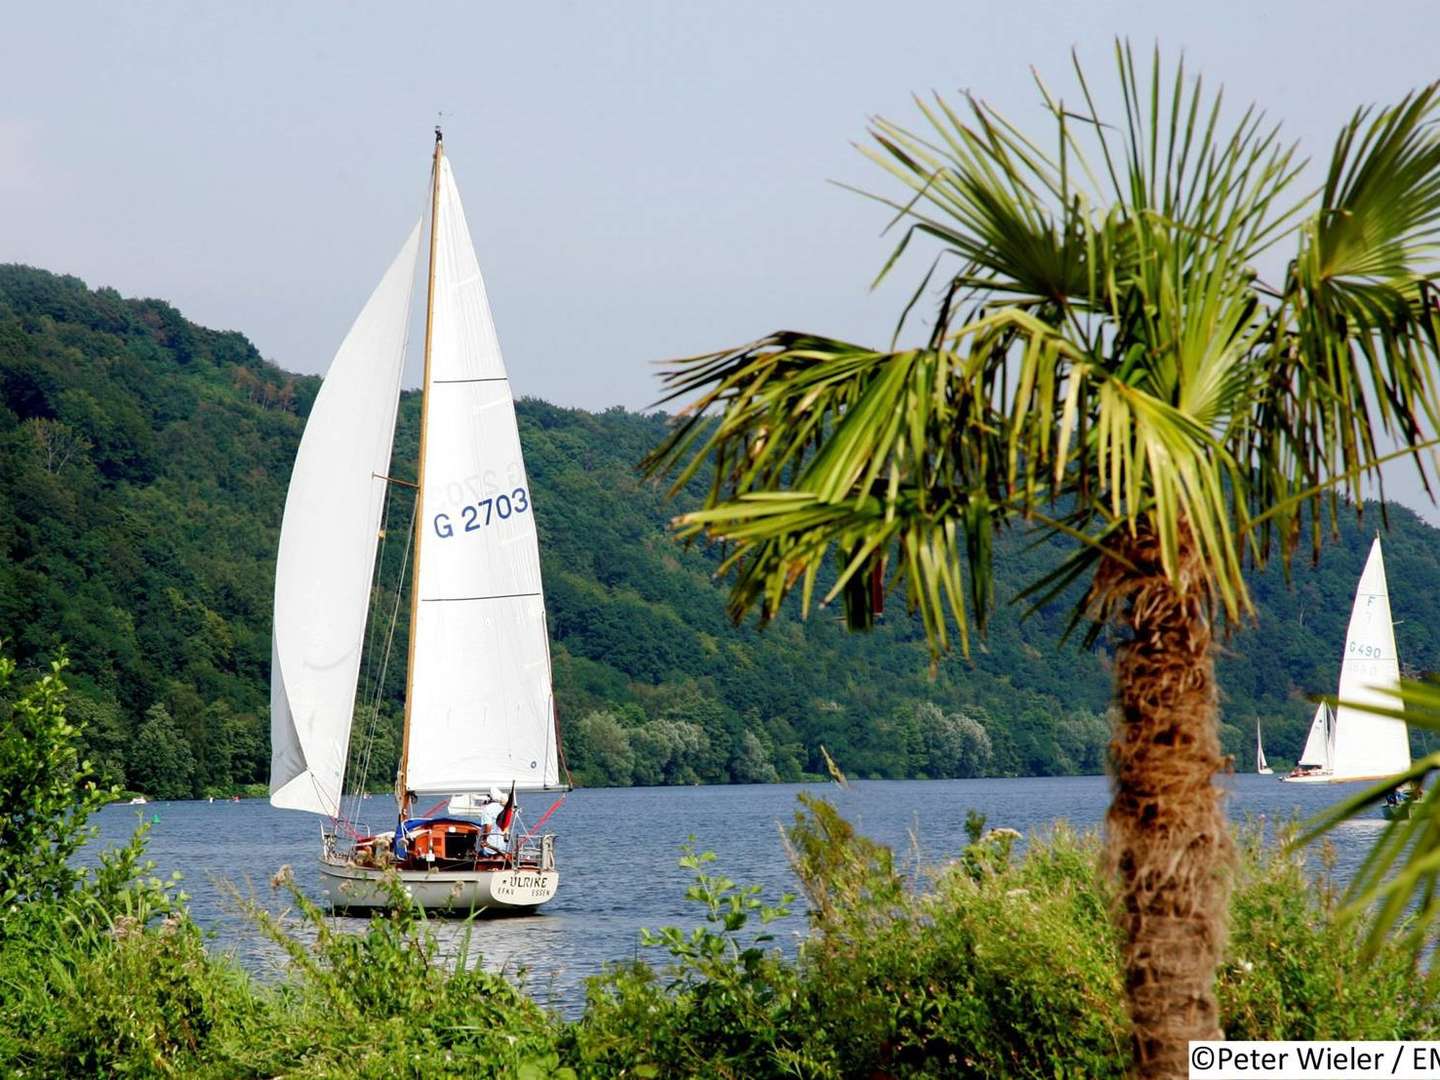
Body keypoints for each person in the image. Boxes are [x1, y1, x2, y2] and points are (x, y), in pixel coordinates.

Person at [478, 786, 509, 857]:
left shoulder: (488, 808)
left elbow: (488, 826)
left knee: (476, 853)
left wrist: (484, 839)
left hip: (489, 847)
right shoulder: (504, 808)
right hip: (502, 846)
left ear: (490, 797)